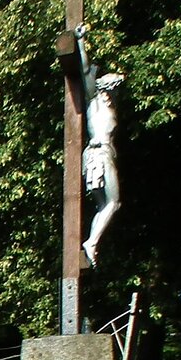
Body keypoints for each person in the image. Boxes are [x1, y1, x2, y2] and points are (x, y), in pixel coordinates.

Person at [76, 24, 124, 267]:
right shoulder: (95, 101)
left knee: (106, 205)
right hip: (99, 155)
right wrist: (80, 41)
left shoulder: (109, 108)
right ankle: (91, 241)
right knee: (113, 203)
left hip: (101, 155)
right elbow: (85, 72)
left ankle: (92, 242)